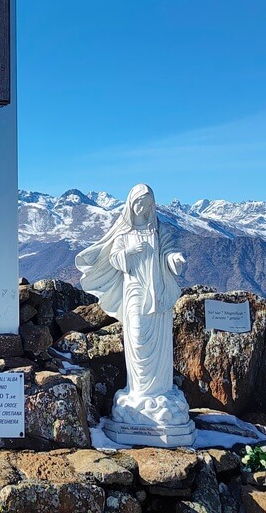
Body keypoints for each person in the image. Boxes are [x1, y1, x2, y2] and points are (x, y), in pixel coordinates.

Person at [75, 183, 193, 443]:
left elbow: (170, 250)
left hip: (158, 295)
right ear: (131, 206)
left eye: (147, 204)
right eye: (139, 204)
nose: (143, 208)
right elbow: (115, 258)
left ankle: (159, 390)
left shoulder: (159, 230)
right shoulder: (125, 233)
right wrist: (128, 253)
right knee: (138, 340)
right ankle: (139, 391)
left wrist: (175, 260)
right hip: (135, 293)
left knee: (160, 345)